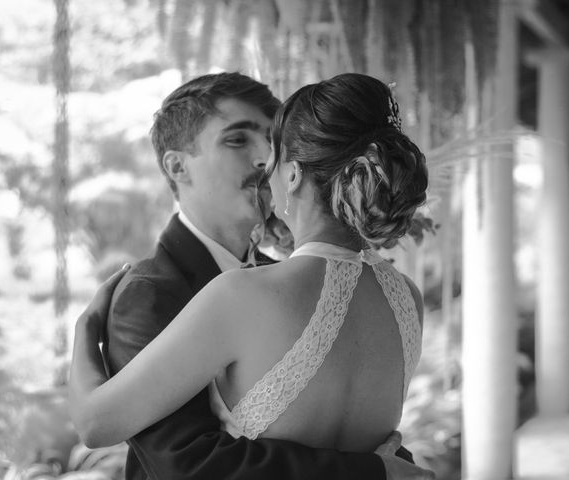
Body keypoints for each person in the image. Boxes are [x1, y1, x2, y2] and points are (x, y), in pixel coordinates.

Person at [72, 72, 432, 480]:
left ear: (293, 175)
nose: (263, 160)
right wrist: (376, 471)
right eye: (238, 139)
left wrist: (86, 329)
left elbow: (95, 422)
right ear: (177, 166)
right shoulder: (147, 292)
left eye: (271, 144)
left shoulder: (251, 290)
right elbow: (181, 464)